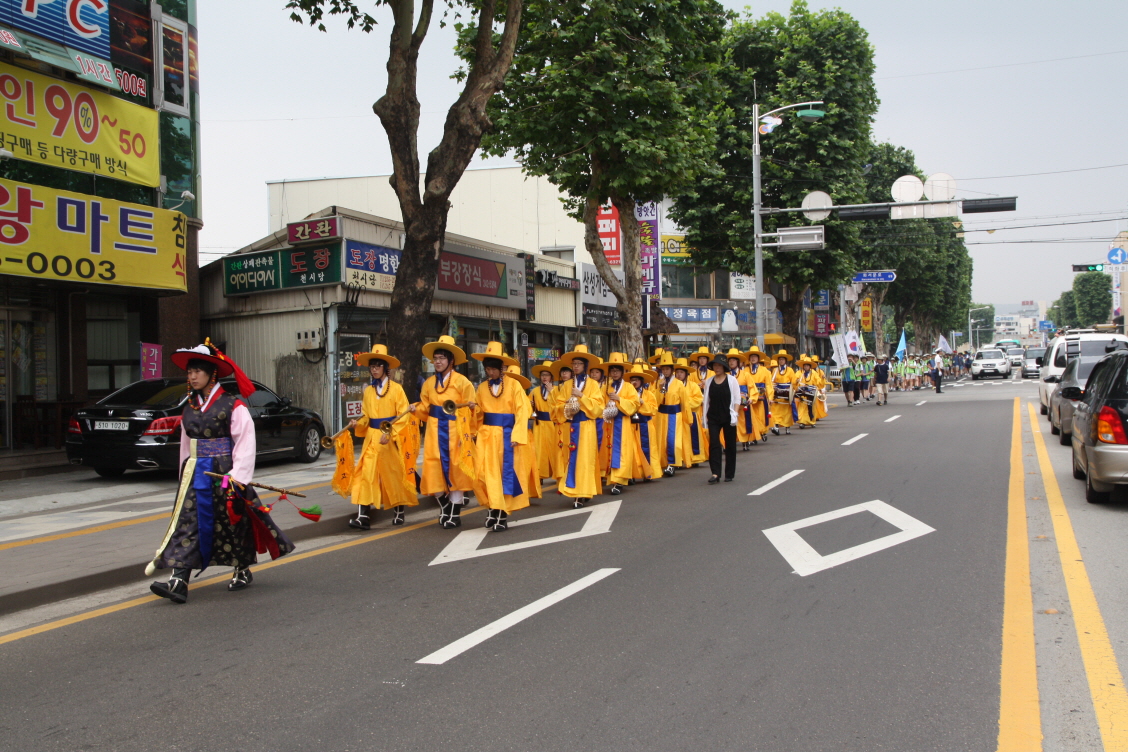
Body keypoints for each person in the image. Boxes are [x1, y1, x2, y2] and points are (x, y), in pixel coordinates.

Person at [147, 340, 295, 604]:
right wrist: (183, 475)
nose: (192, 376)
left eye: (197, 372)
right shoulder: (189, 406)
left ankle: (242, 568)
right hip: (196, 474)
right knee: (188, 523)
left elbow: (245, 441)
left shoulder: (232, 405)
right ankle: (179, 580)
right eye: (189, 372)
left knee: (231, 521)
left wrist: (238, 477)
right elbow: (186, 444)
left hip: (224, 473)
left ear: (211, 374)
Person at [346, 344, 419, 530]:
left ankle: (399, 510)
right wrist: (358, 424)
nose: (375, 369)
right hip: (372, 438)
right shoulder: (369, 391)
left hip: (388, 439)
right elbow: (366, 416)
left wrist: (390, 433)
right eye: (372, 367)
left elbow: (403, 415)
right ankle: (363, 516)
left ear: (385, 368)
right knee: (365, 474)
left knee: (394, 474)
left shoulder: (396, 389)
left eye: (378, 366)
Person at [415, 335, 477, 529]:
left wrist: (470, 433)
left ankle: (454, 513)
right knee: (433, 468)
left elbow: (470, 408)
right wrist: (414, 409)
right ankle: (445, 506)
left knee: (456, 469)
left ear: (451, 361)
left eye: (442, 358)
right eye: (435, 358)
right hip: (434, 430)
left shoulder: (462, 382)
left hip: (455, 430)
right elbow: (425, 409)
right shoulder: (428, 383)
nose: (438, 362)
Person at [470, 343, 531, 532]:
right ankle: (492, 508)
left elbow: (523, 410)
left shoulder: (514, 385)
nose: (490, 373)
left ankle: (501, 513)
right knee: (484, 473)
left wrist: (517, 434)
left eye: (493, 369)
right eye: (487, 369)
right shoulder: (481, 388)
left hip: (506, 435)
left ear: (501, 369)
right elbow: (480, 413)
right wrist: (475, 411)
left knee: (503, 475)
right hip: (487, 435)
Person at [553, 344, 606, 508]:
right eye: (573, 364)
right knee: (571, 458)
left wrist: (581, 396)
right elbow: (556, 406)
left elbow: (599, 407)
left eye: (578, 364)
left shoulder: (593, 384)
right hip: (571, 425)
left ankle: (582, 491)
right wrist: (566, 407)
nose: (575, 367)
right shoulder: (567, 384)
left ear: (585, 366)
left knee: (585, 459)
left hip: (586, 425)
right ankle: (574, 489)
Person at [601, 353, 640, 495]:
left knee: (622, 451)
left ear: (622, 372)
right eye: (612, 371)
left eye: (617, 371)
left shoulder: (629, 387)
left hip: (622, 422)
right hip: (609, 422)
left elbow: (635, 404)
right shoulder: (606, 387)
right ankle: (610, 476)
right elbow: (600, 403)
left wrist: (619, 399)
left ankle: (620, 480)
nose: (615, 373)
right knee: (608, 448)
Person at [506, 365, 542, 505]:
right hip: (506, 433)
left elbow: (527, 414)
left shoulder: (525, 397)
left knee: (523, 465)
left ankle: (523, 493)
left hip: (523, 435)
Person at [702, 354, 741, 483]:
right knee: (714, 443)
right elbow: (706, 400)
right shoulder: (709, 381)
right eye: (715, 365)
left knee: (730, 445)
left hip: (728, 416)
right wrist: (705, 416)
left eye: (719, 365)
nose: (717, 368)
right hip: (713, 416)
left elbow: (737, 398)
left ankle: (729, 473)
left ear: (724, 367)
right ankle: (715, 473)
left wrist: (735, 413)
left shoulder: (731, 380)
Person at [653, 351, 687, 476]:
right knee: (661, 439)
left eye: (668, 369)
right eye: (663, 369)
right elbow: (655, 401)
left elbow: (684, 402)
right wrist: (660, 389)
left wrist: (687, 417)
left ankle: (672, 464)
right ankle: (663, 462)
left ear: (672, 370)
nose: (665, 371)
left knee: (672, 439)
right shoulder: (659, 382)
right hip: (661, 414)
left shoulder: (678, 384)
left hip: (674, 414)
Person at [627, 363, 661, 482]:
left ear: (641, 381)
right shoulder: (627, 393)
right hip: (631, 424)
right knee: (632, 450)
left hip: (645, 424)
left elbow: (653, 409)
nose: (634, 382)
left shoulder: (648, 394)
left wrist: (642, 403)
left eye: (636, 379)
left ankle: (648, 472)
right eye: (632, 379)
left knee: (647, 449)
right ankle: (632, 474)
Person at [530, 360, 560, 482]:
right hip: (539, 423)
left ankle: (557, 473)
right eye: (542, 375)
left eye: (547, 375)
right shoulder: (535, 391)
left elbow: (560, 403)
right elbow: (529, 405)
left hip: (553, 423)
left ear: (552, 377)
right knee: (539, 449)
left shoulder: (557, 389)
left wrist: (552, 391)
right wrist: (530, 405)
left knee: (555, 449)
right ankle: (540, 474)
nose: (544, 378)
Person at [675, 357, 707, 468]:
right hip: (677, 415)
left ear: (686, 373)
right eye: (677, 372)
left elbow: (698, 399)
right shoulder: (672, 386)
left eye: (681, 372)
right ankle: (680, 458)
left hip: (691, 415)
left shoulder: (693, 385)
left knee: (692, 437)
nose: (679, 375)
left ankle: (694, 457)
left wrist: (684, 402)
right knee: (678, 438)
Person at [745, 346, 773, 442]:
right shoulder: (745, 370)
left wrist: (770, 397)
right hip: (749, 396)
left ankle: (761, 432)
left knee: (761, 416)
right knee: (750, 416)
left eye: (755, 356)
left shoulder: (764, 370)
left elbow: (769, 385)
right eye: (751, 356)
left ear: (758, 358)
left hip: (761, 397)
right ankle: (753, 434)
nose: (753, 358)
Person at [771, 350, 799, 434]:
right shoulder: (775, 370)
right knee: (775, 411)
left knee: (787, 412)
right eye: (780, 359)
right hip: (778, 393)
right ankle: (776, 427)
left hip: (786, 392)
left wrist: (795, 384)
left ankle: (787, 427)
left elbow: (793, 381)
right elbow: (772, 381)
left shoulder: (790, 370)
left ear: (785, 361)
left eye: (783, 359)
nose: (781, 361)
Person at [795, 357, 820, 428]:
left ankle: (812, 421)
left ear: (810, 366)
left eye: (807, 365)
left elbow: (818, 381)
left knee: (811, 407)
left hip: (811, 392)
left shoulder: (814, 373)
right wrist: (796, 381)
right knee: (802, 407)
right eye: (805, 365)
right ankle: (802, 422)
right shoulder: (799, 373)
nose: (806, 367)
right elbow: (795, 379)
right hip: (802, 392)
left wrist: (815, 384)